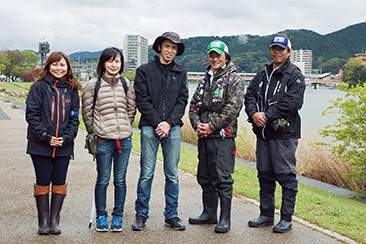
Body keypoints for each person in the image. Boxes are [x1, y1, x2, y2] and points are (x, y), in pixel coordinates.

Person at [244, 35, 306, 233]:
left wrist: (267, 115)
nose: (276, 52)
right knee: (265, 174)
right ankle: (266, 214)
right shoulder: (263, 73)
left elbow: (293, 102)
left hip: (284, 135)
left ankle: (286, 218)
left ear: (288, 52)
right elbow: (250, 95)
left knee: (286, 176)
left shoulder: (294, 74)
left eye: (281, 49)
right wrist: (253, 113)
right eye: (273, 48)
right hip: (263, 133)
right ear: (270, 51)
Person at [132, 31, 188, 231]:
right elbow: (142, 100)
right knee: (146, 173)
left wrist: (169, 123)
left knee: (172, 173)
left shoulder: (180, 72)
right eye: (167, 46)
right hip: (149, 126)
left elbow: (182, 101)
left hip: (172, 128)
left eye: (174, 48)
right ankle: (141, 214)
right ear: (159, 48)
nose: (170, 51)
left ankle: (171, 214)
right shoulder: (145, 70)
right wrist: (158, 123)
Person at [188, 40, 245, 233]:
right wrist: (197, 125)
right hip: (204, 136)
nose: (214, 58)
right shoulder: (205, 78)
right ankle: (209, 213)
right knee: (205, 175)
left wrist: (211, 126)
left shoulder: (234, 79)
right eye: (211, 55)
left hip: (222, 137)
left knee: (222, 177)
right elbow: (193, 105)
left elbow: (233, 109)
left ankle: (224, 219)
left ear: (226, 57)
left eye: (218, 55)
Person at [26, 51, 82, 235]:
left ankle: (54, 220)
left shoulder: (72, 91)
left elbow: (75, 119)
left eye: (62, 65)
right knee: (42, 181)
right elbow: (32, 115)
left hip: (63, 146)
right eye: (55, 64)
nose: (59, 68)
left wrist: (66, 138)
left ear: (68, 67)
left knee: (59, 181)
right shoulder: (39, 88)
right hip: (40, 144)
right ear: (48, 66)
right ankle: (43, 222)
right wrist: (45, 136)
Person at [82, 47, 136, 232]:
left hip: (124, 141)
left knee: (120, 180)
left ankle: (118, 217)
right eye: (110, 61)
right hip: (103, 140)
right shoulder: (92, 85)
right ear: (103, 63)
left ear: (121, 64)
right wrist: (97, 132)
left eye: (117, 61)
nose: (114, 65)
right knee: (103, 180)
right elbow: (87, 114)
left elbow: (131, 110)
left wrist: (124, 128)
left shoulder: (126, 84)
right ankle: (101, 217)